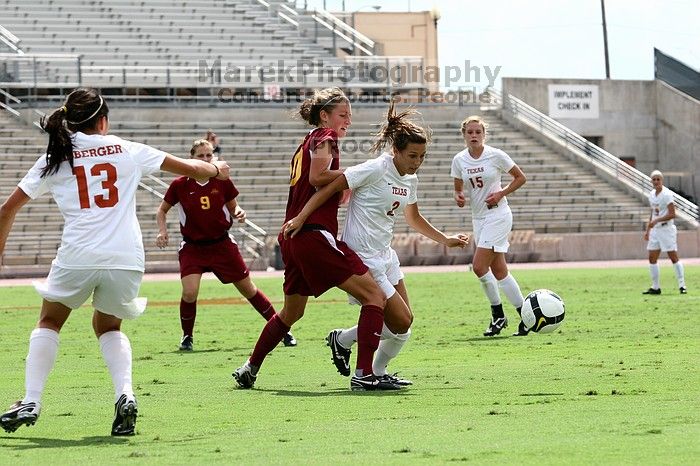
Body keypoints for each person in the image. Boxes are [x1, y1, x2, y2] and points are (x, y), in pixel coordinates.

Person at [0, 88, 229, 436]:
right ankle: (125, 395)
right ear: (103, 121)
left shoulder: (57, 156)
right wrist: (216, 168)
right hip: (126, 257)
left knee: (49, 320)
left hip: (78, 254)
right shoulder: (127, 149)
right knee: (109, 327)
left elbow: (7, 210)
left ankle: (32, 399)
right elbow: (194, 169)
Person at [282, 101, 469, 385]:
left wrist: (446, 239)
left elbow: (414, 218)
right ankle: (362, 370)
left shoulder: (411, 179)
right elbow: (328, 187)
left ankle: (357, 353)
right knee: (399, 321)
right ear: (396, 150)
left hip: (386, 254)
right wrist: (300, 217)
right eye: (412, 156)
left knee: (402, 327)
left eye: (422, 156)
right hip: (363, 255)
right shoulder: (374, 168)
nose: (416, 162)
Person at [232, 87, 396, 391]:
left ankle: (249, 367)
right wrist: (354, 175)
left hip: (293, 236)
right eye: (343, 115)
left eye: (350, 116)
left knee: (292, 311)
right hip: (312, 235)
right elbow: (317, 178)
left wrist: (342, 185)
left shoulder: (306, 142)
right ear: (325, 116)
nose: (348, 121)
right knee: (375, 297)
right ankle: (364, 373)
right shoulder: (325, 137)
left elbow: (318, 183)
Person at [155, 139, 296, 351]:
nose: (205, 159)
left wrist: (239, 212)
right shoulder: (180, 184)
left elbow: (234, 206)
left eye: (208, 155)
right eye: (200, 156)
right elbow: (162, 210)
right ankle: (187, 337)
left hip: (221, 245)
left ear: (214, 157)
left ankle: (282, 330)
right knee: (189, 293)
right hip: (193, 247)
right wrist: (162, 231)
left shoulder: (222, 181)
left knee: (249, 289)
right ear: (191, 158)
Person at [451, 115, 528, 337]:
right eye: (470, 132)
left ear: (484, 134)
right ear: (464, 135)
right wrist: (459, 196)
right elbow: (458, 187)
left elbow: (520, 178)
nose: (474, 135)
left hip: (498, 215)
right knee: (500, 271)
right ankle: (526, 317)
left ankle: (498, 315)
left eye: (478, 132)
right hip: (479, 218)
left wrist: (501, 193)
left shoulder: (495, 155)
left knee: (478, 266)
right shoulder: (459, 160)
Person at [642, 170, 687, 295]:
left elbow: (672, 214)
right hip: (656, 231)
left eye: (658, 179)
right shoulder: (651, 194)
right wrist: (648, 230)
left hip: (666, 229)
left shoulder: (667, 195)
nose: (656, 181)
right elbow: (653, 213)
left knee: (673, 256)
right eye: (654, 179)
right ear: (651, 181)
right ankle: (656, 287)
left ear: (662, 181)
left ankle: (682, 285)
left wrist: (656, 221)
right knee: (652, 257)